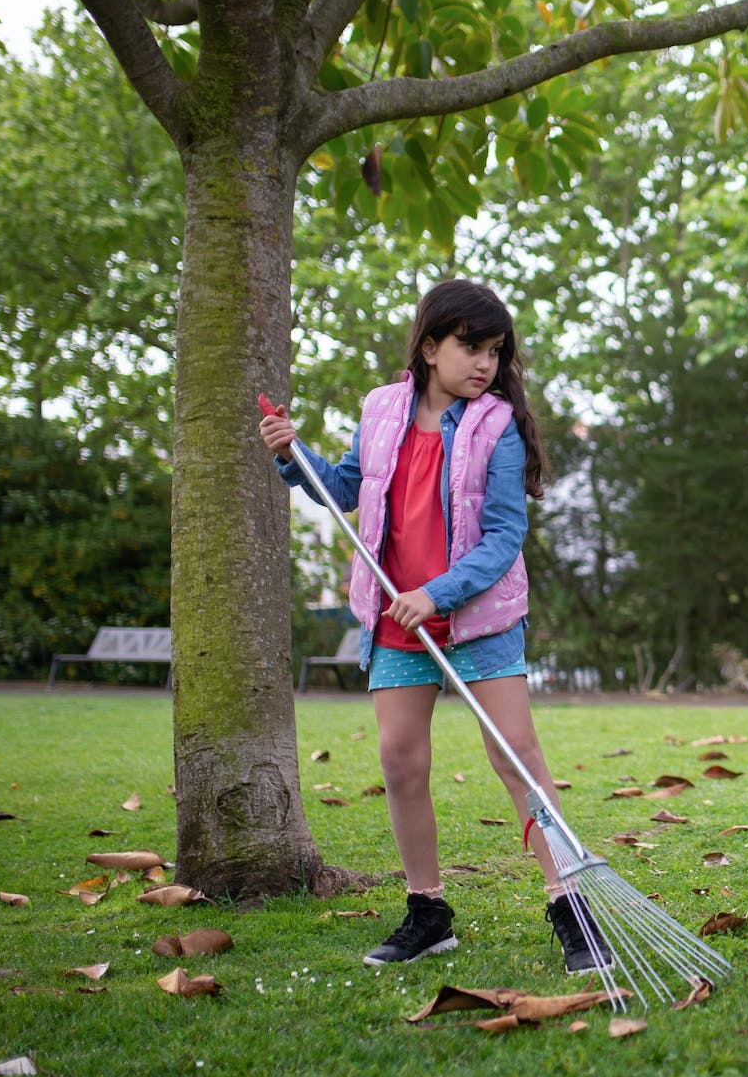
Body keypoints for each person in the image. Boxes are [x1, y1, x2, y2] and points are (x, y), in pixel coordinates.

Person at [259, 278, 612, 971]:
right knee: (400, 761)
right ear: (428, 346)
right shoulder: (381, 409)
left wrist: (438, 592)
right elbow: (347, 489)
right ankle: (428, 910)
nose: (484, 362)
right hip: (396, 618)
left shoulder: (497, 424)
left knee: (518, 761)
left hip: (478, 620)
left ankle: (570, 904)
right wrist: (289, 457)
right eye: (469, 346)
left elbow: (504, 534)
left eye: (494, 350)